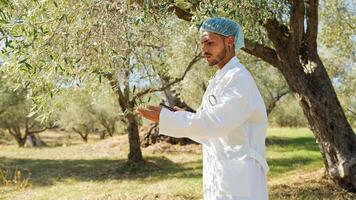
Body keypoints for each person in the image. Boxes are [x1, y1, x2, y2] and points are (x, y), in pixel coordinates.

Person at [136, 17, 269, 200]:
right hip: (220, 174)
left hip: (240, 177)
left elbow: (215, 123)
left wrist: (167, 118)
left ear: (229, 41)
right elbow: (207, 129)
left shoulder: (239, 79)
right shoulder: (219, 80)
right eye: (202, 43)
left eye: (209, 42)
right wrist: (185, 117)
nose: (204, 50)